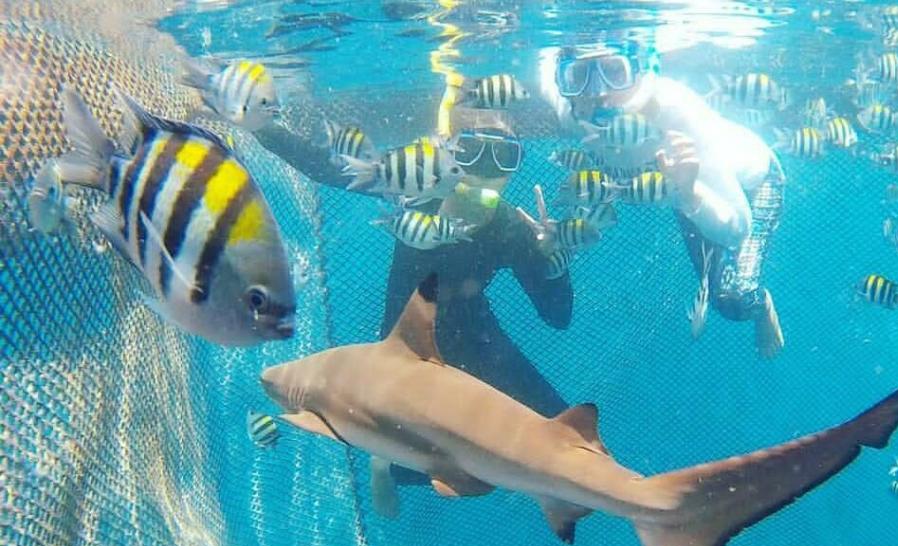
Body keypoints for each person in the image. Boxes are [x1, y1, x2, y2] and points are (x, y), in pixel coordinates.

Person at [250, 102, 573, 515]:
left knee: (565, 434)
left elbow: (557, 317)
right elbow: (330, 169)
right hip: (409, 344)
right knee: (413, 448)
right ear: (450, 154)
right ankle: (384, 463)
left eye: (504, 155)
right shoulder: (416, 193)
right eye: (473, 150)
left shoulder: (511, 226)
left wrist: (553, 261)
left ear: (515, 167)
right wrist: (262, 128)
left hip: (479, 338)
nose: (487, 168)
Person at [537, 40, 786, 358]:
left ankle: (760, 303)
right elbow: (542, 70)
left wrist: (690, 192)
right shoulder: (572, 111)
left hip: (749, 184)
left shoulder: (678, 116)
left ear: (643, 70)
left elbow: (738, 229)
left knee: (734, 299)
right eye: (580, 75)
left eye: (615, 71)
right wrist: (563, 234)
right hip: (684, 192)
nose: (597, 91)